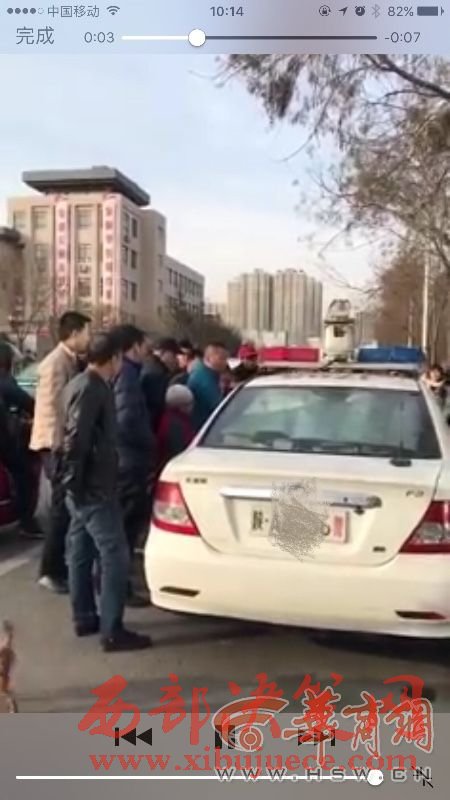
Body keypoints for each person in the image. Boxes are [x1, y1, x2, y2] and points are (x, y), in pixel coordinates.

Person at [61, 332, 152, 652]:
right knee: (114, 553)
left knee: (82, 549)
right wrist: (77, 482)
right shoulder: (93, 388)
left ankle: (85, 616)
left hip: (84, 485)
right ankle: (112, 629)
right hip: (93, 487)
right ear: (113, 358)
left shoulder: (79, 383)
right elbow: (76, 439)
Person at [30, 311, 91, 593]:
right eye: (87, 332)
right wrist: (61, 447)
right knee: (59, 510)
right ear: (74, 333)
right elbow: (53, 410)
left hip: (60, 444)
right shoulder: (55, 363)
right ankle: (49, 571)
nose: (89, 338)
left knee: (64, 509)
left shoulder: (71, 360)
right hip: (54, 445)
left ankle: (57, 567)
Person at [110, 325, 156, 607]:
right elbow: (126, 420)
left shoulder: (126, 373)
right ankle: (119, 588)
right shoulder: (127, 376)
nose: (147, 351)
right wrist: (149, 441)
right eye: (144, 346)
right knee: (124, 528)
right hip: (128, 461)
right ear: (134, 346)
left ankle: (114, 584)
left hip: (123, 458)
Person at [0, 343, 38, 535]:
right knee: (24, 473)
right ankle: (26, 521)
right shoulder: (4, 381)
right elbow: (28, 403)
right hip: (4, 440)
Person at [187, 342, 229, 432]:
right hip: (203, 429)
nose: (225, 362)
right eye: (221, 358)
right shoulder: (204, 378)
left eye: (226, 359)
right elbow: (218, 406)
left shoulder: (209, 375)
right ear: (209, 358)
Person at [141, 337, 180, 431]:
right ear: (166, 353)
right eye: (174, 356)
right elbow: (156, 407)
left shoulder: (149, 365)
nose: (176, 360)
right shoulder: (156, 374)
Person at [156, 385, 195, 470]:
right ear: (181, 406)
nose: (192, 407)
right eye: (189, 404)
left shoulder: (171, 419)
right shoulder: (176, 425)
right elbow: (179, 451)